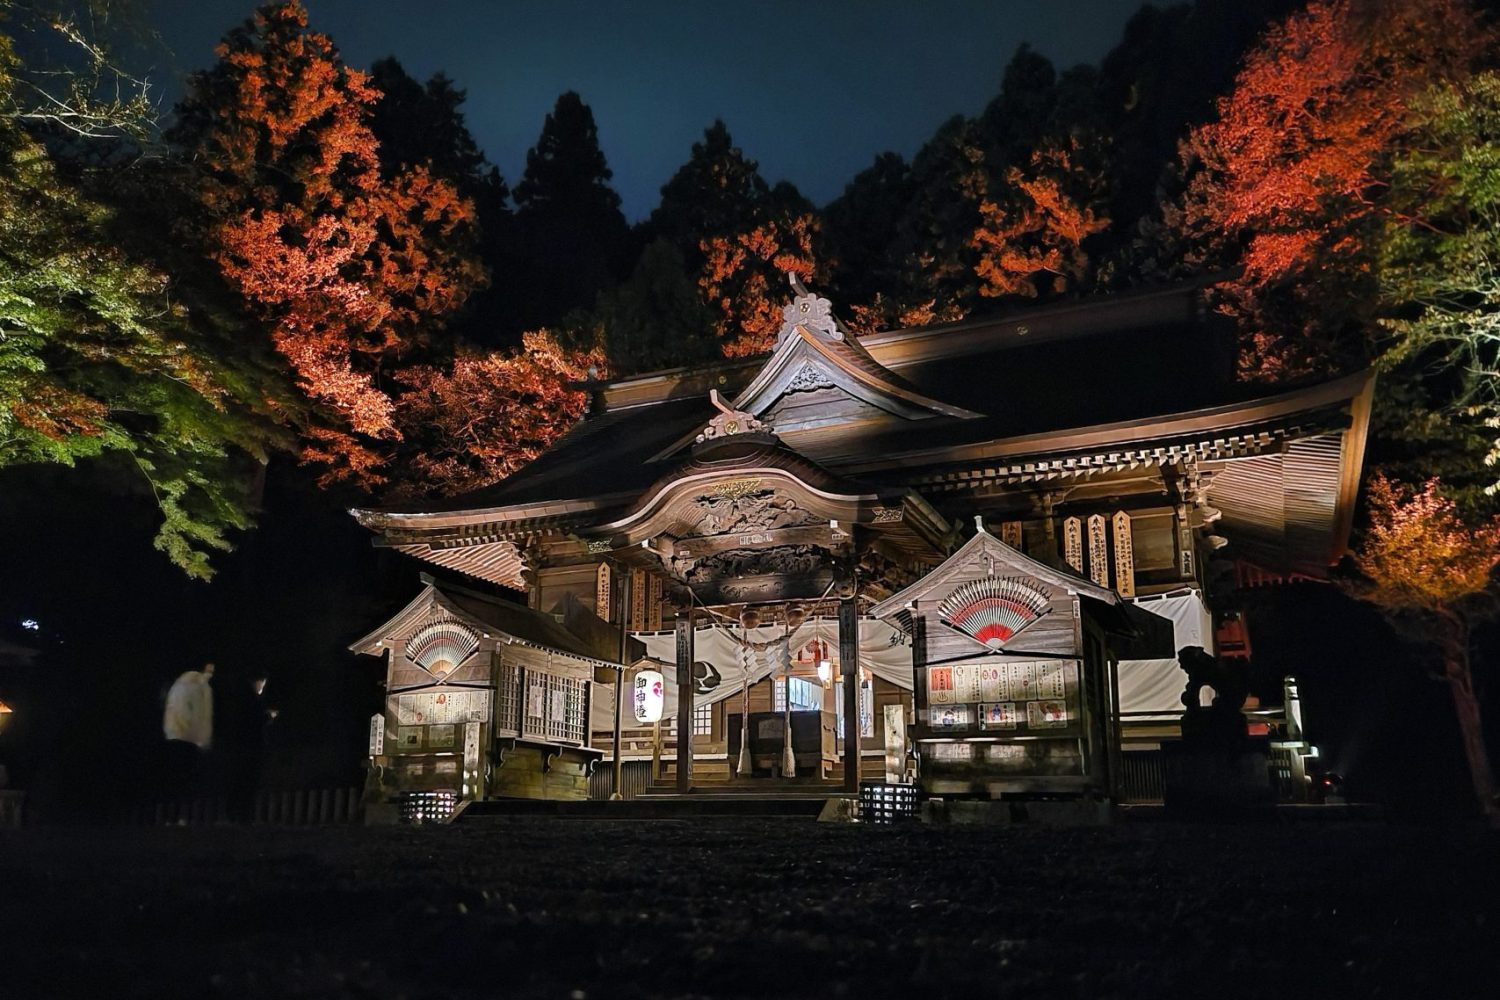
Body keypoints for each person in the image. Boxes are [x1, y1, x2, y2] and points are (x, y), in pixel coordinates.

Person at [162, 663, 214, 817]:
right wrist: (203, 740)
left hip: (173, 735)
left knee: (174, 779)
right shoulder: (200, 686)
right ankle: (183, 817)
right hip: (189, 738)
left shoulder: (178, 684)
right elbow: (200, 715)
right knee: (189, 780)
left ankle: (170, 816)